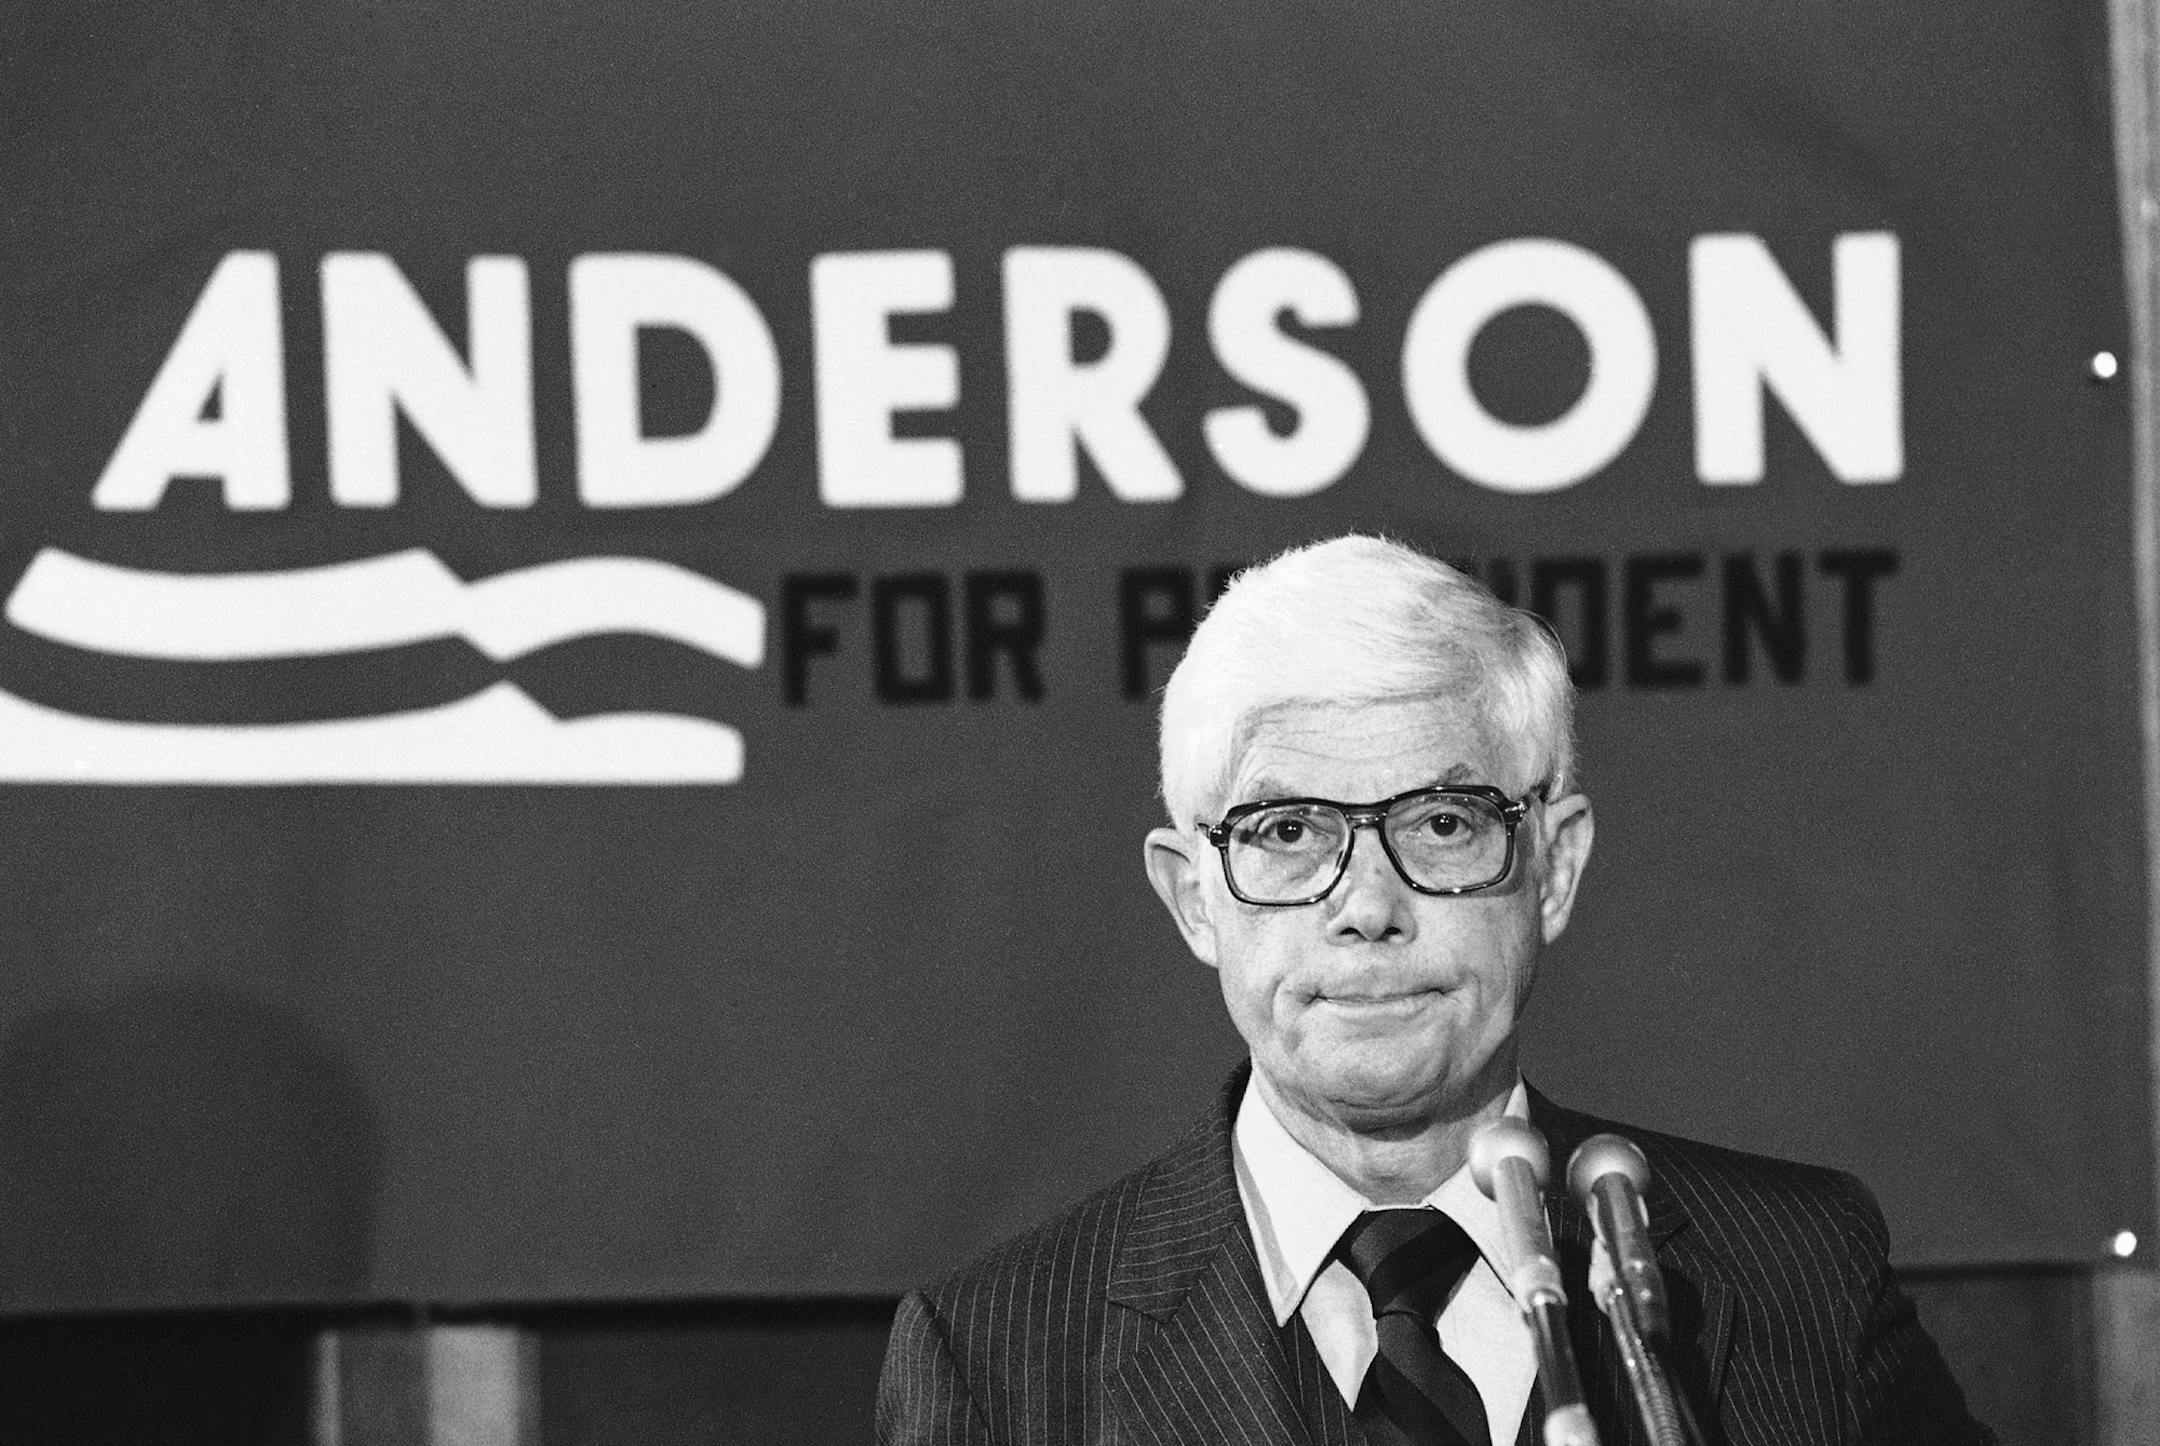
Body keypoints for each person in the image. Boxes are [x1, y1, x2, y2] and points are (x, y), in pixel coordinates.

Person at [876, 534, 1991, 1446]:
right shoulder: (995, 1360)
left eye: (1442, 824)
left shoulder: (1798, 1273)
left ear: (1552, 867)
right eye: (1288, 831)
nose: (1367, 905)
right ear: (1193, 897)